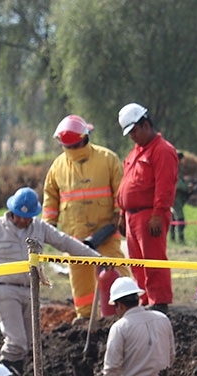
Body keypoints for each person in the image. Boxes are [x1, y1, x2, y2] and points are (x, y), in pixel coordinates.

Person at [0, 187, 100, 376]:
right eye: (21, 216)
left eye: (28, 217)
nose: (25, 221)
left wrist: (97, 258)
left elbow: (65, 242)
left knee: (31, 342)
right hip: (5, 290)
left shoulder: (39, 227)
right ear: (12, 211)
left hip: (31, 290)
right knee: (16, 341)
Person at [42, 115, 126, 319]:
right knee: (80, 279)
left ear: (84, 140)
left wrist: (118, 215)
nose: (72, 150)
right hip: (75, 235)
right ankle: (85, 316)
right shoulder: (58, 166)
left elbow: (121, 191)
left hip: (106, 231)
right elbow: (50, 199)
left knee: (115, 270)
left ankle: (125, 308)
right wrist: (47, 226)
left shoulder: (107, 159)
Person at [117, 103, 178, 314]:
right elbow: (127, 183)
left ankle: (159, 301)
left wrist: (158, 214)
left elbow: (165, 185)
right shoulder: (136, 152)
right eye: (130, 133)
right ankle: (143, 299)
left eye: (134, 131)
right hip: (132, 217)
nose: (132, 137)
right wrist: (122, 213)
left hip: (149, 215)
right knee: (137, 263)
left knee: (153, 260)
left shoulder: (162, 151)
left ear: (145, 124)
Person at [101, 276, 174, 376]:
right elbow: (172, 355)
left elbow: (112, 365)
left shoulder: (120, 327)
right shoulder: (162, 319)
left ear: (120, 305)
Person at [170, 153, 190, 244]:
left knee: (173, 218)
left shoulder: (171, 167)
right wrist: (187, 188)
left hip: (173, 196)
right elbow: (178, 185)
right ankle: (180, 239)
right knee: (180, 218)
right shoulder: (174, 169)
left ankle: (172, 239)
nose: (181, 162)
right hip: (176, 197)